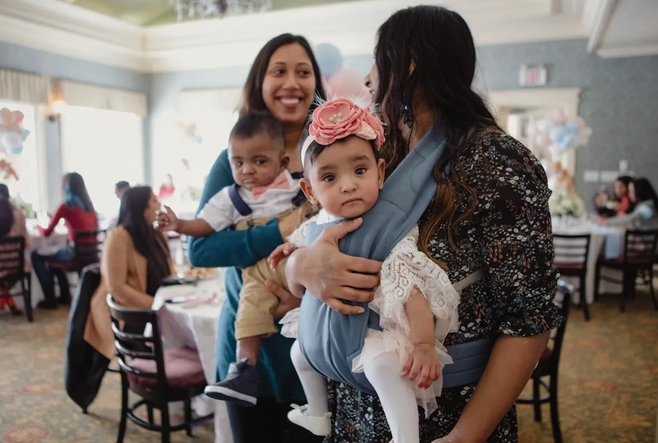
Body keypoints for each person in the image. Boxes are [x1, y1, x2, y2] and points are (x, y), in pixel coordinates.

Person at [281, 6, 563, 442]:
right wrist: (300, 268)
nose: (369, 76)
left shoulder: (498, 162)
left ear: (408, 63)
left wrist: (465, 436)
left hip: (448, 415)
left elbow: (528, 319)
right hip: (356, 406)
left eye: (379, 57)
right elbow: (313, 235)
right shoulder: (374, 150)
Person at [271, 97, 459, 441]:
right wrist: (292, 251)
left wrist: (422, 345)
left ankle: (407, 437)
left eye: (360, 170)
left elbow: (410, 286)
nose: (348, 185)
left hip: (372, 329)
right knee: (299, 351)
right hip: (328, 330)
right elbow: (303, 240)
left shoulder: (389, 228)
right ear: (310, 191)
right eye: (330, 177)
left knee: (383, 366)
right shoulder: (321, 221)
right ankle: (317, 414)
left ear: (381, 172)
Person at [187, 33, 326, 443]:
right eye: (278, 71)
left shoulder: (334, 153)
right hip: (253, 354)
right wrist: (279, 230)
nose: (291, 83)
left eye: (304, 72)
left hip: (320, 345)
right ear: (259, 84)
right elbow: (200, 247)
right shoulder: (236, 160)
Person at [158, 114, 312, 406]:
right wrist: (179, 224)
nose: (247, 171)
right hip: (263, 271)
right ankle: (244, 368)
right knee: (252, 302)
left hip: (301, 259)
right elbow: (202, 233)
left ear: (282, 163)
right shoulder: (233, 198)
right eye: (238, 163)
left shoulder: (298, 187)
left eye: (259, 162)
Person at [84, 186, 175, 360]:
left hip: (159, 309)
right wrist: (156, 306)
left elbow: (169, 274)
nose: (159, 204)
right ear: (141, 207)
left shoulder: (157, 235)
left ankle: (183, 383)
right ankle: (162, 381)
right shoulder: (119, 237)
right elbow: (117, 288)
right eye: (154, 201)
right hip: (131, 313)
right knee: (173, 339)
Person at [32, 172, 98, 309]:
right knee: (54, 258)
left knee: (36, 255)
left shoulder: (66, 206)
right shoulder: (90, 207)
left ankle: (50, 299)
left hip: (75, 254)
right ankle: (64, 295)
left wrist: (37, 226)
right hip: (92, 254)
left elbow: (47, 232)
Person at [0, 187, 30, 315]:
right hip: (17, 266)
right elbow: (27, 243)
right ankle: (8, 300)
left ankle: (4, 299)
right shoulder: (19, 214)